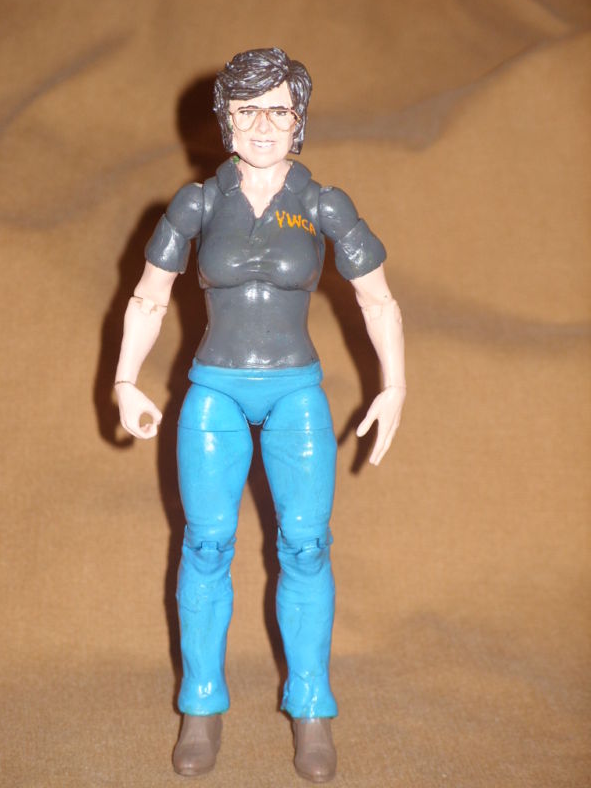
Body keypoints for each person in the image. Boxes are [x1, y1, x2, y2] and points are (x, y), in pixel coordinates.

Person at [114, 47, 406, 783]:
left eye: (279, 109)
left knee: (305, 547)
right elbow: (148, 297)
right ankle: (200, 703)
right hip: (213, 389)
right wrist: (124, 379)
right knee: (206, 544)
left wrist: (394, 386)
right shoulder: (197, 203)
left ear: (299, 118)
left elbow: (378, 299)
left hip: (294, 392)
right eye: (248, 111)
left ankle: (311, 706)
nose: (264, 125)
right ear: (227, 121)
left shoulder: (322, 204)